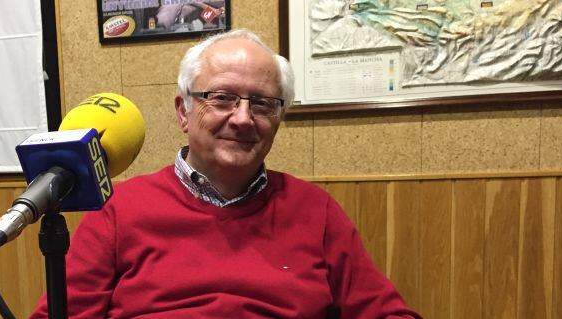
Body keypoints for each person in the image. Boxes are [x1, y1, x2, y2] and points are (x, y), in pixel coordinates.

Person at [30, 29, 421, 319]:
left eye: (262, 103)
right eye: (222, 98)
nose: (243, 118)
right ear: (183, 112)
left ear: (279, 118)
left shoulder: (315, 211)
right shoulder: (119, 211)